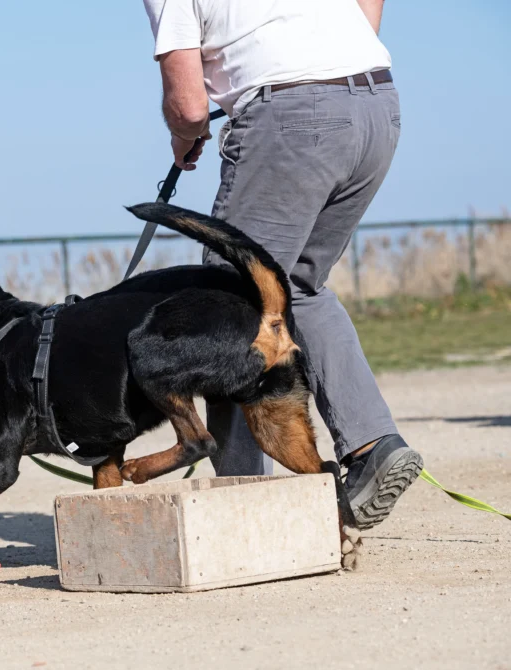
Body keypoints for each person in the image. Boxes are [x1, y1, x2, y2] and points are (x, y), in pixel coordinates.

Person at [141, 0, 423, 529]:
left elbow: (188, 105)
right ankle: (372, 442)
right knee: (297, 286)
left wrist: (185, 135)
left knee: (233, 307)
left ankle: (241, 504)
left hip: (293, 115)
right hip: (375, 104)